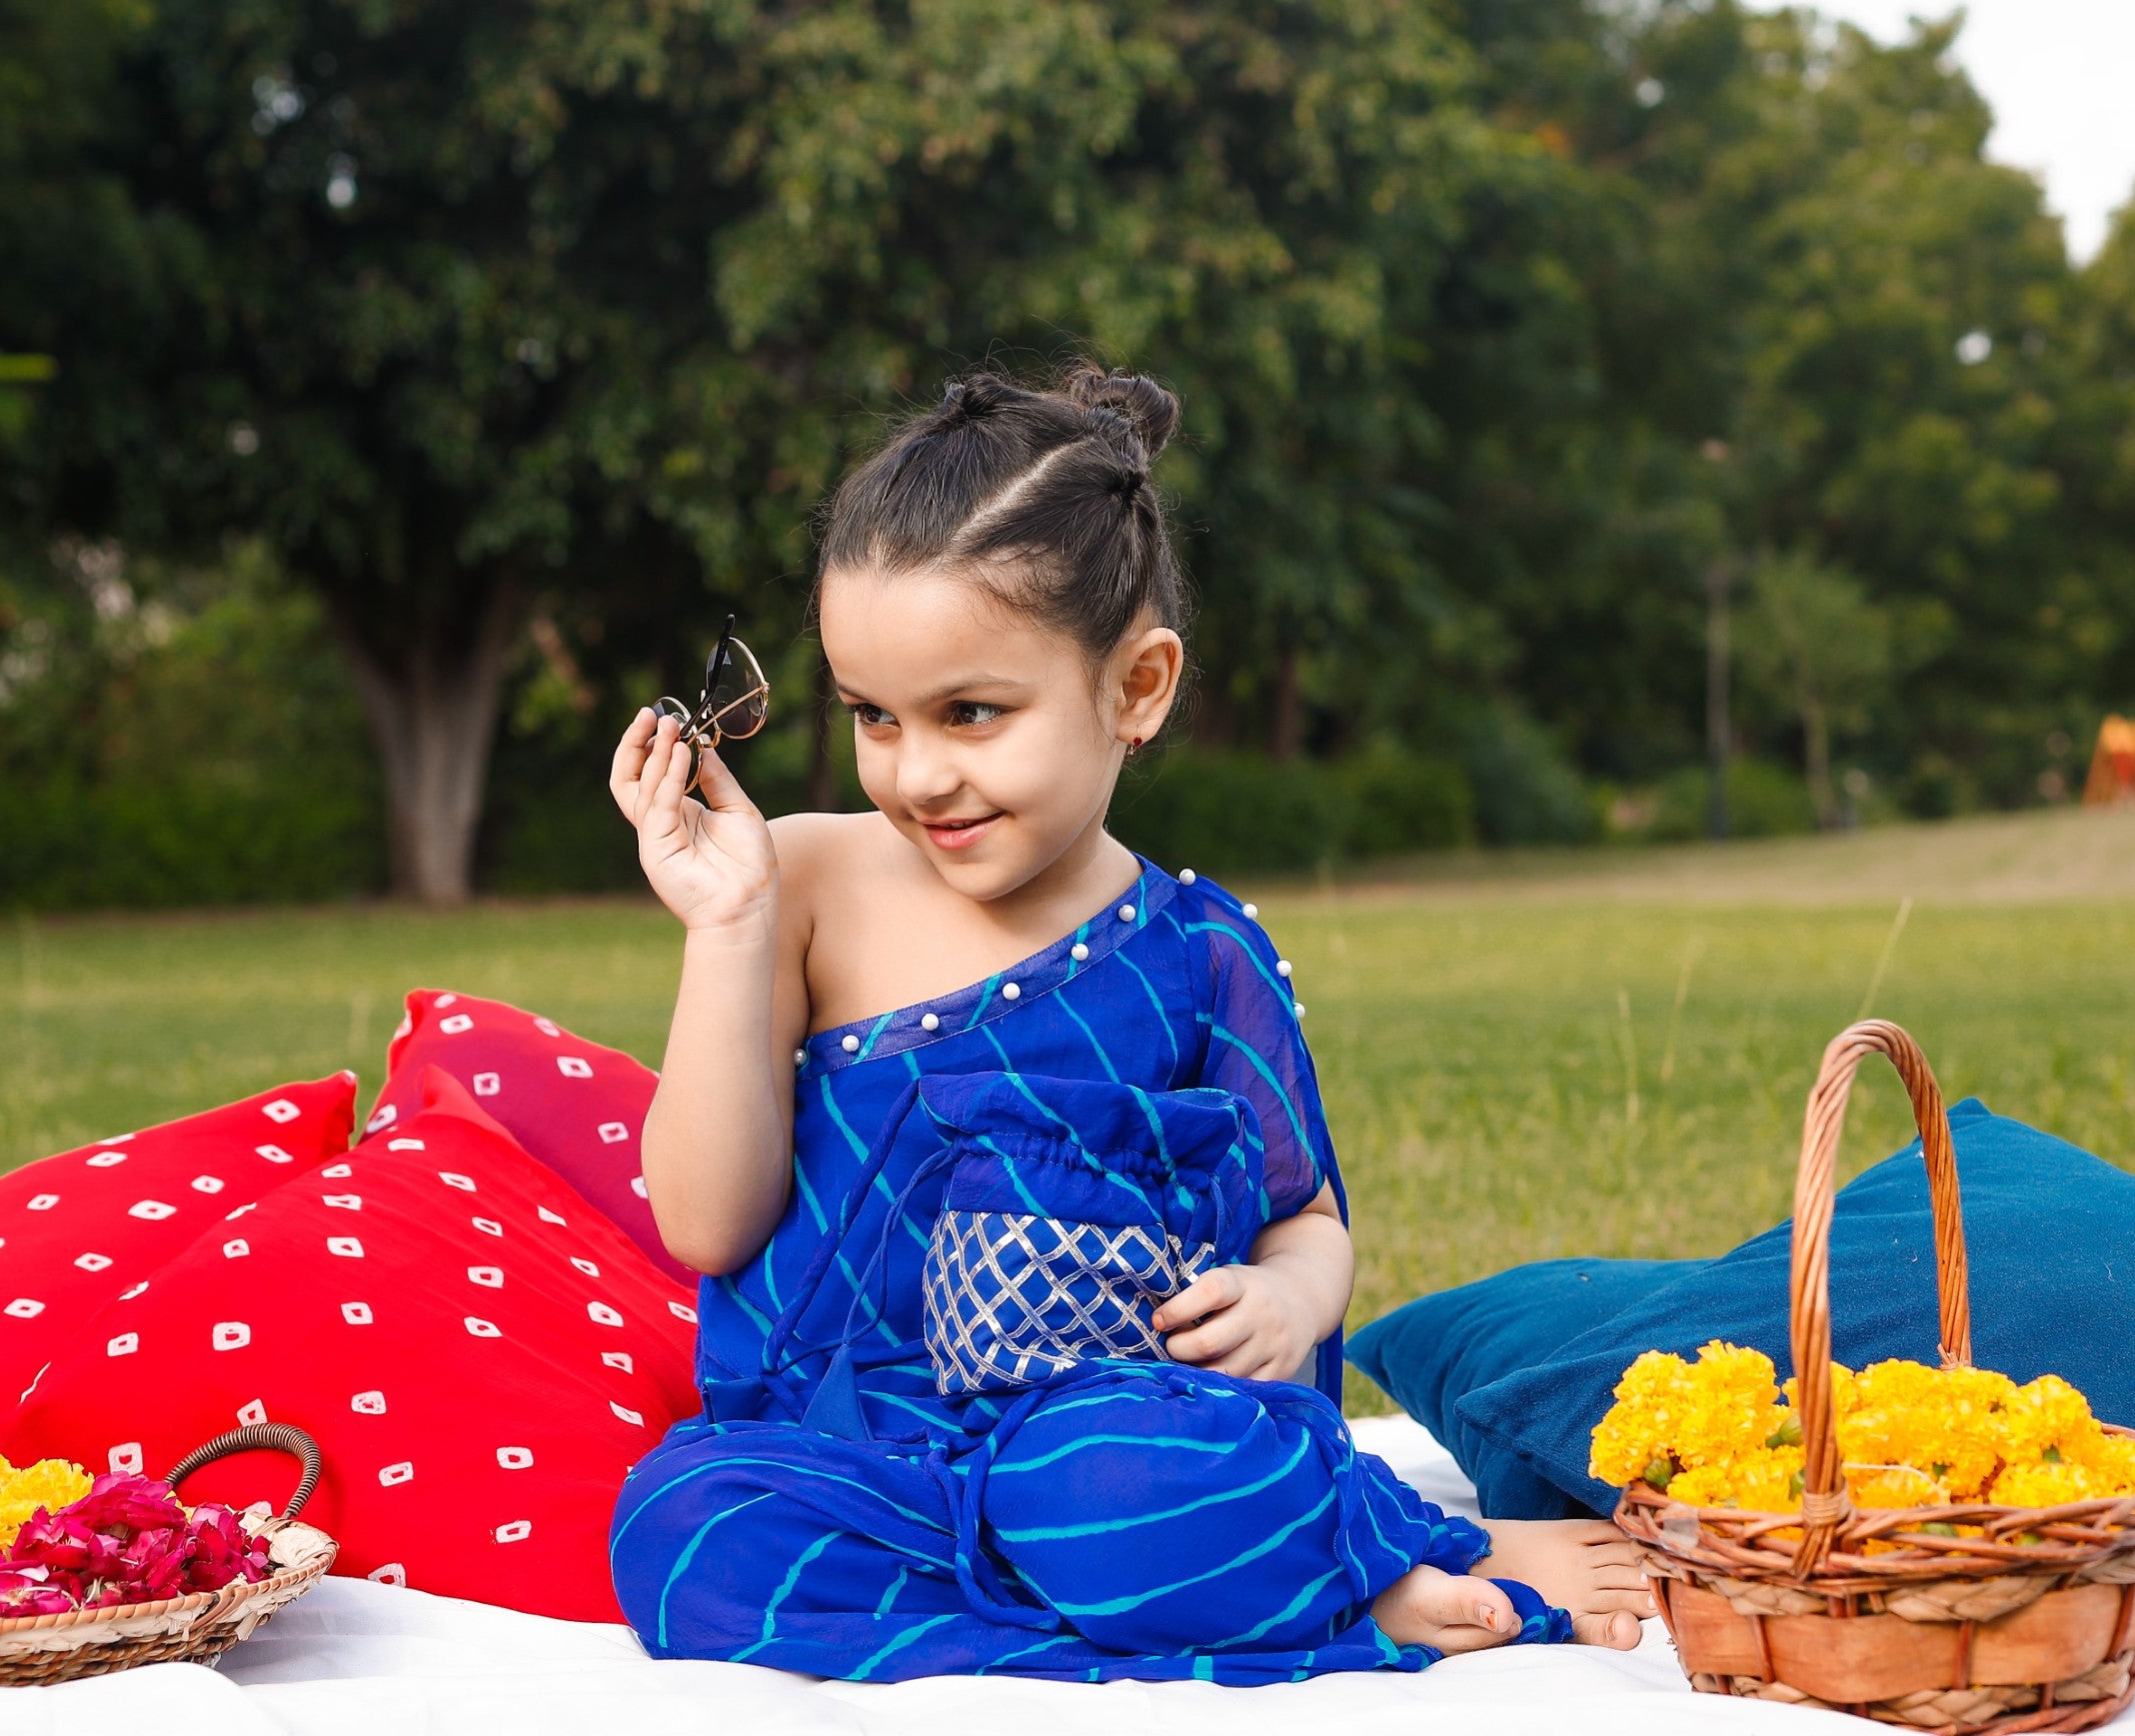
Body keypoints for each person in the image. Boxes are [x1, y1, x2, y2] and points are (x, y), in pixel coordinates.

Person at [604, 364, 1655, 1682]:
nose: (917, 772)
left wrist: (1284, 1295)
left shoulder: (1204, 954)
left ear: (1137, 688)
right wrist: (727, 925)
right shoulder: (799, 882)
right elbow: (707, 1225)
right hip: (864, 1458)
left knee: (1106, 1495)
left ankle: (1385, 1547)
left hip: (1112, 1438)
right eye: (873, 716)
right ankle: (1288, 1590)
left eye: (972, 713)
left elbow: (1308, 1219)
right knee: (681, 1532)